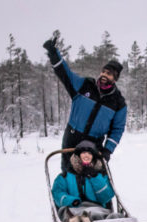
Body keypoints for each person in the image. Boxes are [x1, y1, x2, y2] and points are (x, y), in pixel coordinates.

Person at [43, 33, 127, 172]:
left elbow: (117, 130)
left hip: (95, 143)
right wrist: (53, 53)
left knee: (94, 178)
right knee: (69, 174)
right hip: (72, 137)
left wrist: (108, 150)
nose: (105, 75)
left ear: (115, 78)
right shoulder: (85, 86)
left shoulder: (118, 103)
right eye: (104, 71)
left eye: (110, 73)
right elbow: (65, 73)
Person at [51, 141, 120, 221]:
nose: (87, 155)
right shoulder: (65, 176)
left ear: (93, 157)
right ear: (78, 155)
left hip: (98, 209)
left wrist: (95, 177)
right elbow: (57, 193)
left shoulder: (101, 176)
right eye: (83, 152)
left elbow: (106, 197)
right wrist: (72, 201)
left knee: (114, 217)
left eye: (90, 153)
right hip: (73, 209)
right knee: (88, 218)